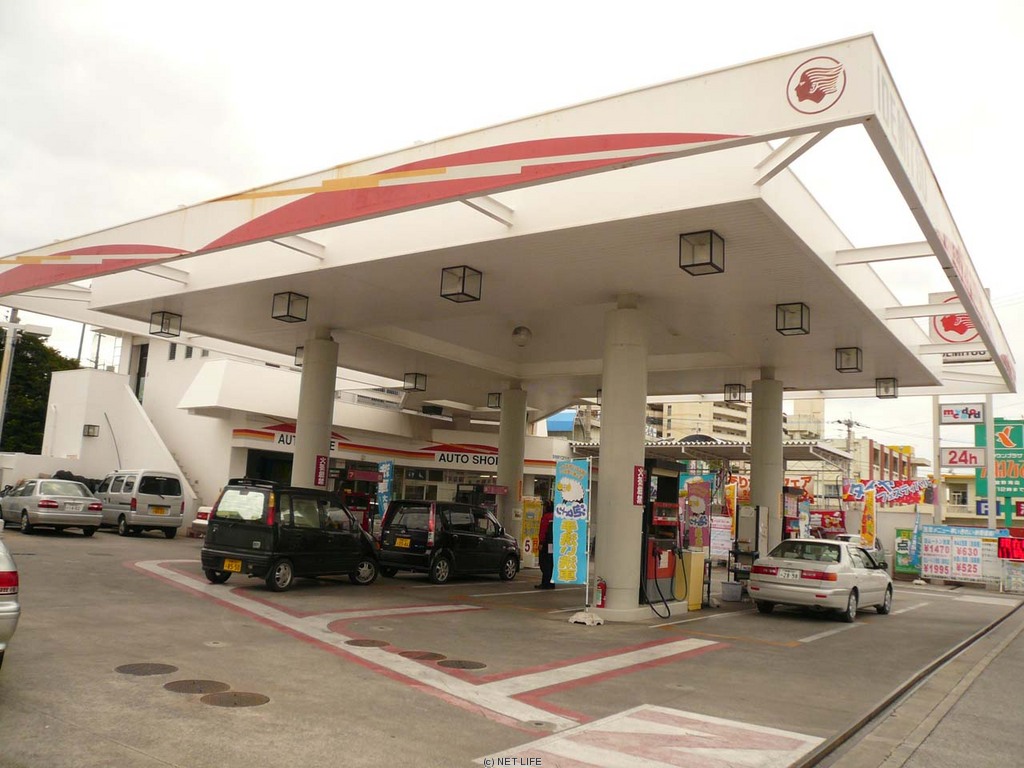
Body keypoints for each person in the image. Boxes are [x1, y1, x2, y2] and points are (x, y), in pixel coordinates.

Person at [535, 498, 555, 590]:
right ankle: (551, 582)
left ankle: (545, 583)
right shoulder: (555, 517)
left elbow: (543, 531)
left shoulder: (546, 517)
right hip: (553, 543)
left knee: (544, 563)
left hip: (546, 543)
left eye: (545, 506)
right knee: (551, 562)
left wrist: (541, 543)